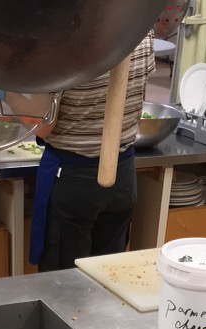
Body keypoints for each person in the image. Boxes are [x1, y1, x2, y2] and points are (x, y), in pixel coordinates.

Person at [29, 33, 156, 272]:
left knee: (64, 287)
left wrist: (6, 96)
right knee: (107, 280)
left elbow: (43, 124)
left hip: (75, 181)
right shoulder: (143, 28)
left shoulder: (68, 36)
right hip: (123, 177)